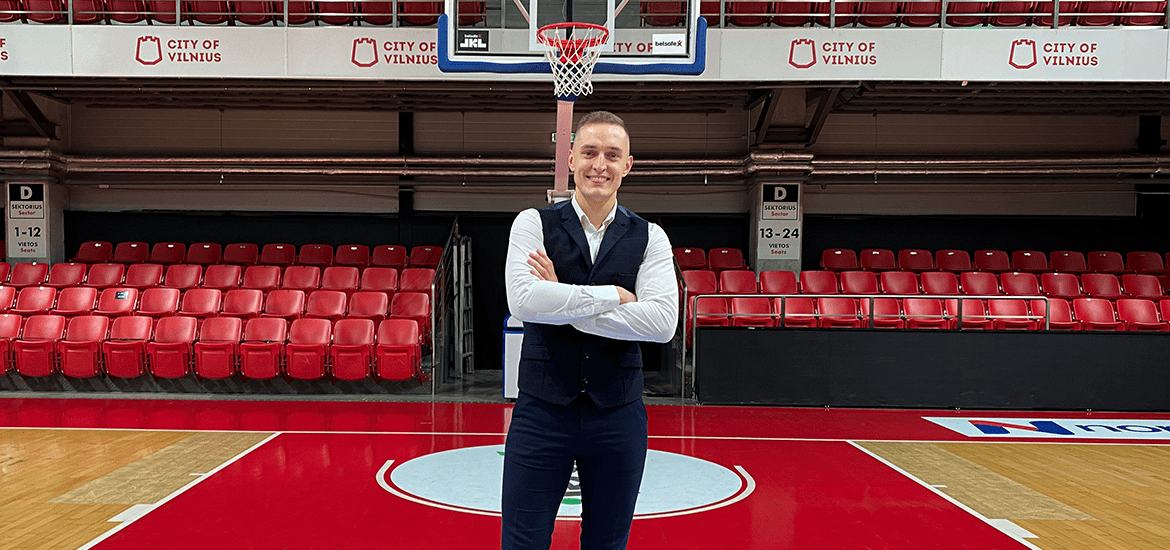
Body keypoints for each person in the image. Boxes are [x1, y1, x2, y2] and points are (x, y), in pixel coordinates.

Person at [501, 111, 679, 550]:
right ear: (570, 159)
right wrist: (615, 295)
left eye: (612, 155)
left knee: (608, 543)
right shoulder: (532, 223)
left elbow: (661, 324)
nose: (600, 164)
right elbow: (523, 302)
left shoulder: (651, 236)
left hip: (618, 415)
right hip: (542, 412)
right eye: (590, 152)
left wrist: (559, 298)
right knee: (522, 542)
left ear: (628, 165)